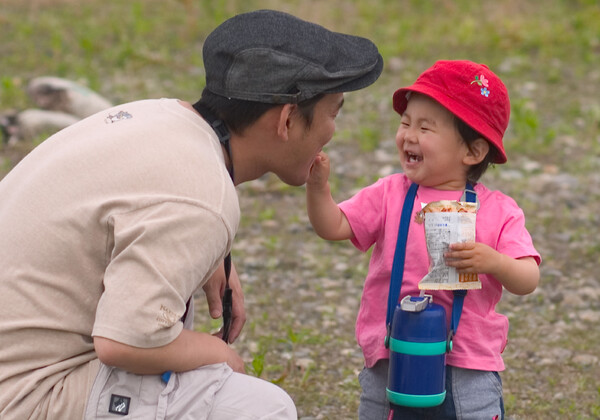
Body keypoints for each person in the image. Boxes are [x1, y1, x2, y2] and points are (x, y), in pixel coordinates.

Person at [0, 9, 383, 419]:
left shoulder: (160, 117)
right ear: (287, 120)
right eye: (334, 113)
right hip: (27, 394)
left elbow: (137, 205)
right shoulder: (202, 196)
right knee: (260, 407)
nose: (332, 131)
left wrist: (207, 254)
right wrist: (216, 355)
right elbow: (124, 343)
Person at [306, 60, 541, 419]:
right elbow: (334, 225)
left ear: (473, 152)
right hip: (393, 357)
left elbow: (528, 278)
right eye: (405, 123)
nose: (409, 135)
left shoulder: (498, 211)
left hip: (466, 367)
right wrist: (318, 188)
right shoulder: (390, 193)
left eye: (425, 127)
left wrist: (494, 261)